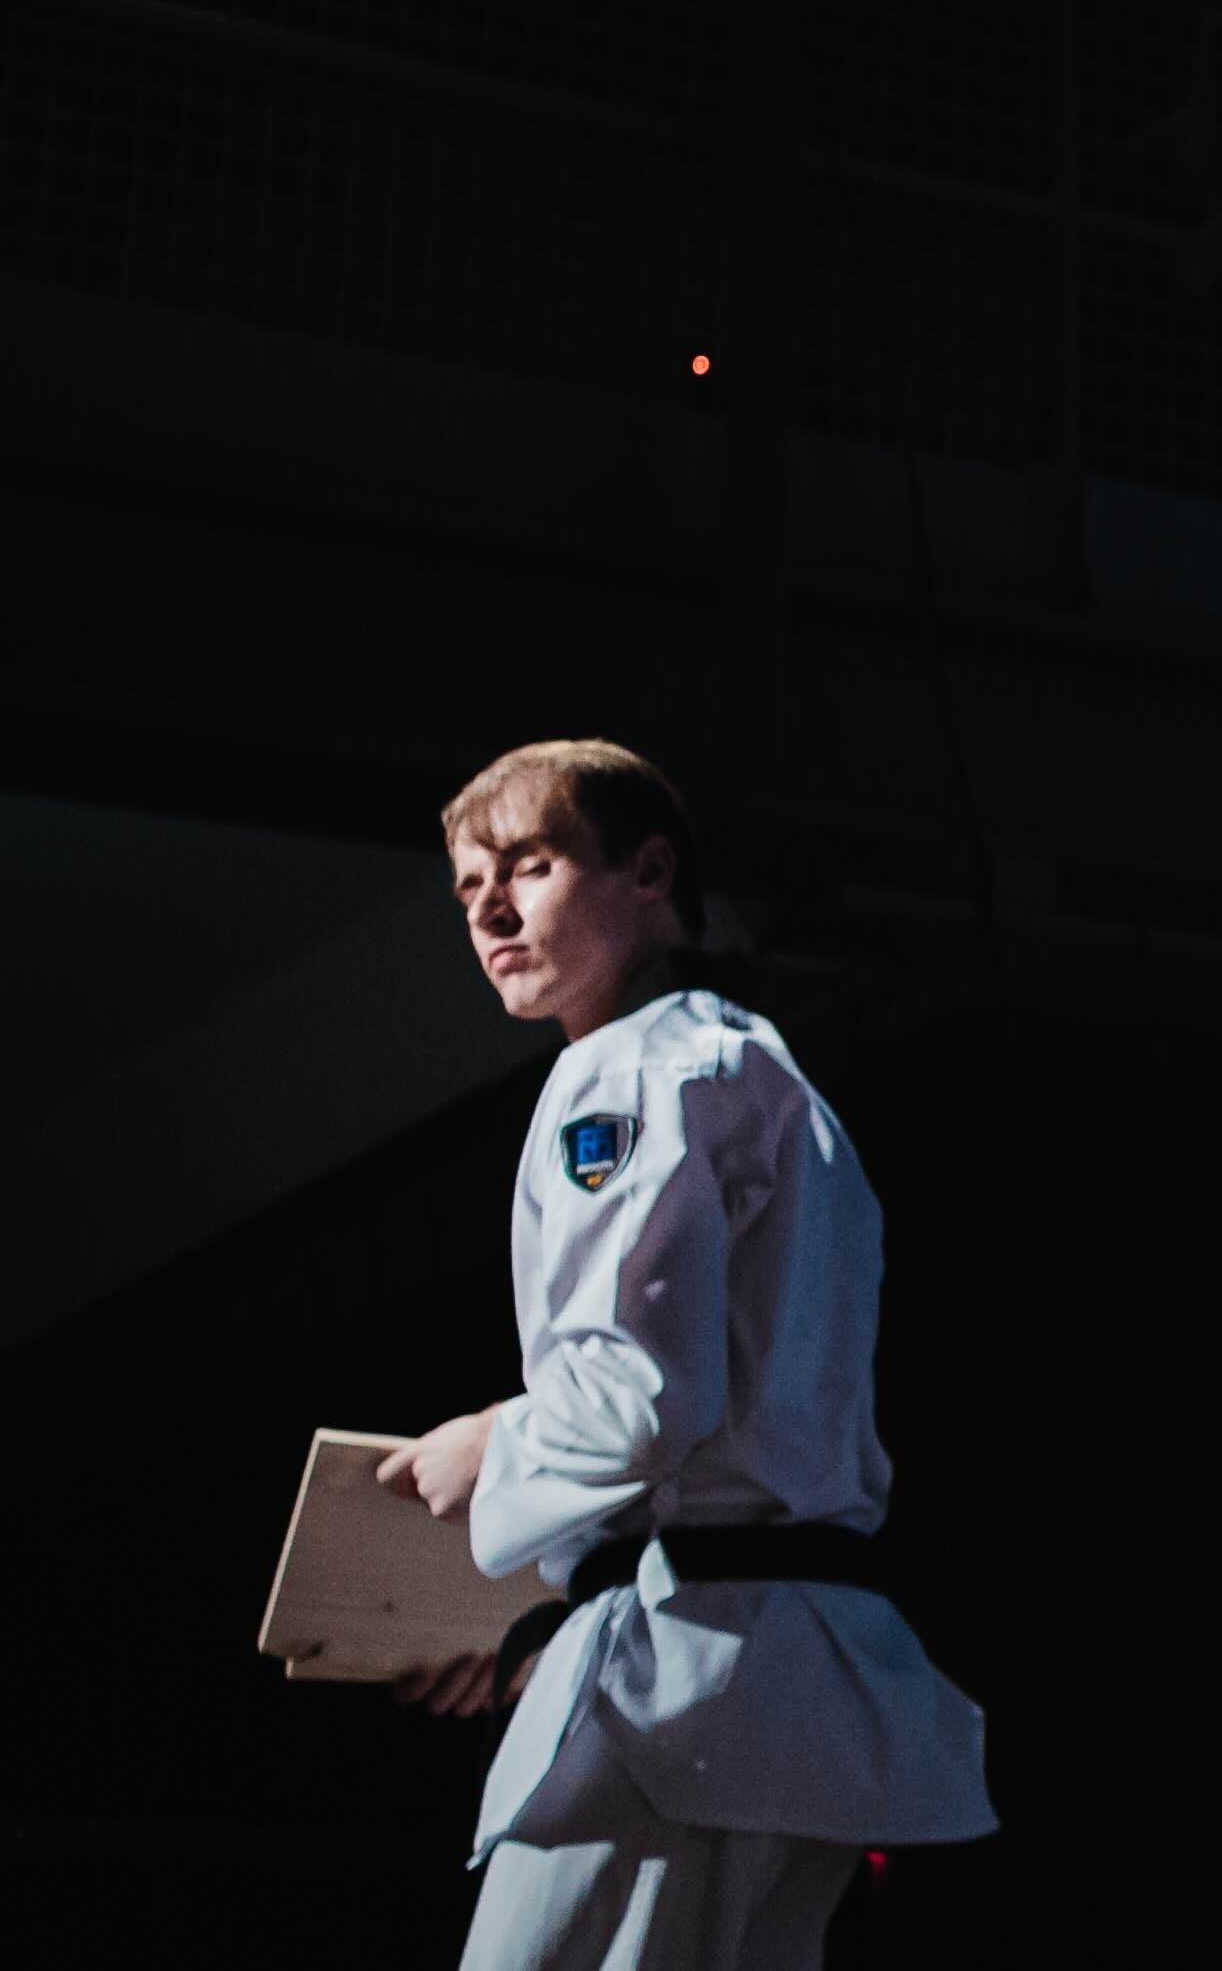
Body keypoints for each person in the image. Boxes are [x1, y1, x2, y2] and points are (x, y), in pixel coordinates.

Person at [382, 740, 996, 1971]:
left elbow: (640, 1401)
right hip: (793, 1682)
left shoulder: (627, 1073)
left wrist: (488, 1444)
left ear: (650, 871)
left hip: (689, 1701)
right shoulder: (762, 1070)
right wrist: (535, 1608)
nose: (490, 910)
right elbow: (728, 1442)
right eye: (468, 886)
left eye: (529, 865)